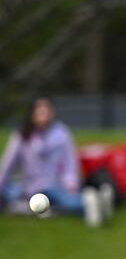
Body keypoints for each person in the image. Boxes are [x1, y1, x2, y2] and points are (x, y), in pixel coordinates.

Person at [0, 97, 114, 227]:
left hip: (55, 183)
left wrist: (71, 183)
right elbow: (8, 164)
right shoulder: (22, 136)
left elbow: (70, 161)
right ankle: (95, 201)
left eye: (46, 112)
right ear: (32, 115)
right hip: (31, 188)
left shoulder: (61, 133)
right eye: (40, 113)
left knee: (65, 200)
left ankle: (93, 203)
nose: (44, 116)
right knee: (12, 192)